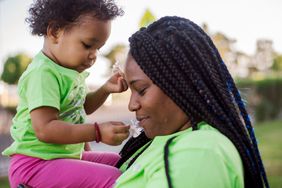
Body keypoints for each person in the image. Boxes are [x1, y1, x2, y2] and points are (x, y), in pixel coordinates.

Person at [114, 16, 269, 188]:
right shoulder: (168, 138)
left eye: (141, 90)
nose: (132, 105)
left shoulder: (200, 153)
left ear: (181, 83)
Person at [2, 0, 130, 187]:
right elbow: (45, 128)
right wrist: (97, 132)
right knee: (114, 179)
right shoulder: (43, 73)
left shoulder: (68, 73)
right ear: (55, 31)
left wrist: (105, 89)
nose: (94, 55)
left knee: (124, 163)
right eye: (88, 45)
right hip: (36, 164)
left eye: (98, 48)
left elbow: (82, 106)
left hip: (59, 158)